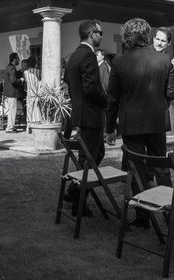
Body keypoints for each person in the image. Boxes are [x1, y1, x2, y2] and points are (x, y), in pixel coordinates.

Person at [105, 18, 174, 229]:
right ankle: (168, 211)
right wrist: (158, 102)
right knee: (161, 167)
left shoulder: (118, 62)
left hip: (132, 122)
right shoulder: (164, 61)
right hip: (156, 120)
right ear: (147, 36)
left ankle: (142, 216)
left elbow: (113, 99)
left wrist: (110, 129)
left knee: (136, 169)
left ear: (128, 37)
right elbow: (173, 91)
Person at [64, 19, 108, 215]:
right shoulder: (88, 55)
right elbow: (91, 88)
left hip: (79, 113)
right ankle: (78, 205)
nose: (101, 36)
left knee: (91, 156)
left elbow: (68, 80)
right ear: (92, 34)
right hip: (91, 116)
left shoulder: (74, 55)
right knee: (91, 158)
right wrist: (106, 100)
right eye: (100, 32)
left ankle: (73, 192)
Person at [3, 53, 24, 133]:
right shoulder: (12, 68)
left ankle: (10, 126)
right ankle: (10, 127)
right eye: (18, 58)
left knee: (11, 110)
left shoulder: (9, 67)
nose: (18, 60)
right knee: (12, 110)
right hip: (12, 92)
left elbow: (13, 76)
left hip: (9, 92)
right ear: (14, 59)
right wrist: (21, 80)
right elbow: (13, 80)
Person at [23, 56, 42, 129]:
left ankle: (28, 126)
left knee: (29, 109)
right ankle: (36, 124)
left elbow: (26, 83)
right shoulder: (38, 71)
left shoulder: (25, 72)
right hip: (37, 92)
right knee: (37, 109)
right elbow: (40, 82)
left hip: (29, 92)